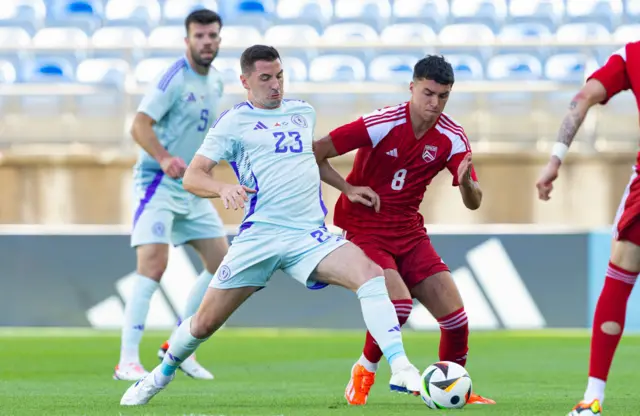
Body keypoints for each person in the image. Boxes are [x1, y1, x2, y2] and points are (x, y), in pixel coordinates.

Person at [120, 44, 425, 406]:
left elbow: (311, 158)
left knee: (371, 275)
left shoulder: (302, 112)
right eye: (265, 78)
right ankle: (160, 375)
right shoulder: (233, 122)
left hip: (308, 236)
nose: (275, 85)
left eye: (279, 76)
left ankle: (401, 366)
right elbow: (192, 177)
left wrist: (346, 187)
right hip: (260, 238)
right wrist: (222, 187)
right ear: (245, 81)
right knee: (202, 325)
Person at [313, 55, 495, 406]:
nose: (435, 103)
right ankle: (365, 368)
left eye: (443, 96)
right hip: (365, 228)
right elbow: (316, 152)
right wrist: (347, 188)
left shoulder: (452, 137)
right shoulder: (381, 123)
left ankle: (454, 391)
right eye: (428, 93)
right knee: (398, 305)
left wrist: (466, 183)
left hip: (409, 233)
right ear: (412, 88)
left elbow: (473, 201)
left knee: (456, 319)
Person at [115, 9, 228, 381]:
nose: (206, 42)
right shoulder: (173, 79)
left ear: (219, 39)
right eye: (199, 36)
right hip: (158, 182)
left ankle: (178, 344)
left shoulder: (217, 82)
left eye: (212, 35)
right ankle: (127, 360)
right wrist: (163, 158)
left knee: (221, 266)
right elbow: (139, 124)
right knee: (153, 265)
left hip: (192, 186)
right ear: (187, 40)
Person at [537, 41, 640, 416]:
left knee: (619, 280)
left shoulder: (633, 54)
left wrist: (554, 160)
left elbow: (582, 98)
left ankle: (593, 397)